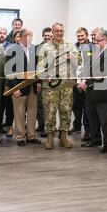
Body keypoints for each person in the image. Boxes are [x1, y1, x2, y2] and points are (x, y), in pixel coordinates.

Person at [37, 22, 79, 150]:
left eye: (61, 31)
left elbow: (80, 62)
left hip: (67, 85)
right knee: (50, 112)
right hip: (50, 86)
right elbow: (39, 67)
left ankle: (64, 136)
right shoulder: (45, 47)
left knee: (66, 111)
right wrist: (45, 75)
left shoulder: (70, 46)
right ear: (53, 33)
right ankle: (50, 137)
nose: (59, 33)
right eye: (57, 31)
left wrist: (71, 57)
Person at [79, 30, 107, 153]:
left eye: (98, 40)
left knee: (105, 121)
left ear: (106, 40)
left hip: (104, 93)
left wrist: (86, 83)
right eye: (95, 40)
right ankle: (95, 139)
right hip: (92, 92)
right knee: (93, 118)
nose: (95, 42)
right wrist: (84, 80)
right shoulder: (97, 51)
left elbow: (102, 74)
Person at [6, 28, 41, 146]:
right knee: (19, 112)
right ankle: (20, 136)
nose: (30, 37)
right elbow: (8, 71)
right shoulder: (12, 50)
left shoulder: (34, 49)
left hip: (33, 86)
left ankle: (31, 135)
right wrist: (14, 88)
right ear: (20, 37)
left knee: (32, 111)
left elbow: (38, 67)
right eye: (27, 35)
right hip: (19, 86)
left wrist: (39, 82)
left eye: (31, 35)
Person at [70, 27, 90, 138]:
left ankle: (87, 130)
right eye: (78, 36)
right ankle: (77, 126)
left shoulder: (92, 47)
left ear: (86, 35)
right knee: (76, 106)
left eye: (82, 35)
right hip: (75, 81)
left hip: (86, 81)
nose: (80, 38)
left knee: (87, 108)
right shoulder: (74, 47)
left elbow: (89, 65)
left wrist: (84, 81)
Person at [0, 26, 14, 135]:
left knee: (9, 105)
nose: (2, 35)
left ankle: (8, 125)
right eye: (0, 33)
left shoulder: (10, 46)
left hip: (8, 80)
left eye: (4, 33)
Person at [35, 27, 52, 137]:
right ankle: (40, 124)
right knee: (39, 105)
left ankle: (49, 128)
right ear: (42, 36)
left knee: (49, 106)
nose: (47, 37)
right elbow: (36, 66)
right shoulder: (37, 48)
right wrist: (38, 82)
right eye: (45, 35)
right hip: (41, 81)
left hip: (53, 81)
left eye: (49, 36)